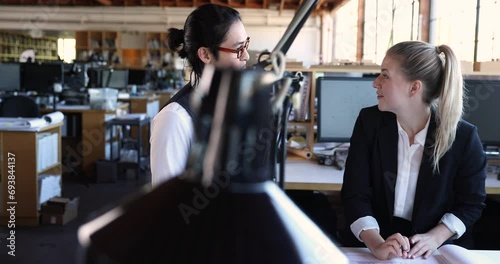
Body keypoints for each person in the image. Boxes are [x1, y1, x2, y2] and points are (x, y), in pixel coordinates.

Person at [340, 41, 487, 260]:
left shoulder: (463, 138)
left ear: (414, 87)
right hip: (375, 242)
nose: (375, 83)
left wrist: (436, 237)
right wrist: (377, 243)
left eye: (385, 76)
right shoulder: (369, 123)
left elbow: (471, 203)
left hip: (436, 249)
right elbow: (355, 194)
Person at [150, 4, 250, 186]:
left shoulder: (228, 103)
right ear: (205, 54)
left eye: (246, 45)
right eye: (239, 49)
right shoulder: (173, 120)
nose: (246, 56)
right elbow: (167, 206)